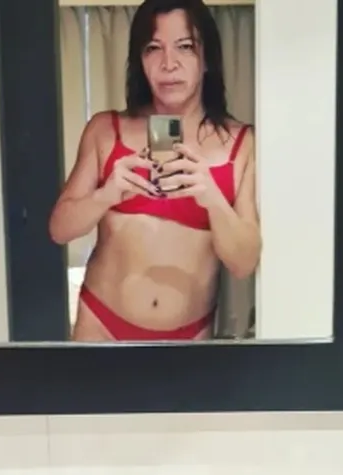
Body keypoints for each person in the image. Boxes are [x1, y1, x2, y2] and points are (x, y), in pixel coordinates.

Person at [49, 0, 260, 342]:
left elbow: (243, 263)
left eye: (185, 47)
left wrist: (212, 198)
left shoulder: (242, 143)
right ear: (140, 60)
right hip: (100, 325)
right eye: (153, 48)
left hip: (189, 340)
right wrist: (107, 195)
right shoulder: (106, 130)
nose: (168, 63)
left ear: (207, 58)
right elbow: (59, 229)